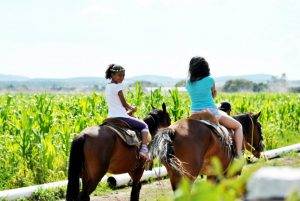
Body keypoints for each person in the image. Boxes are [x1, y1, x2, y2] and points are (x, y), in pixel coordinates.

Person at [185, 56, 243, 157]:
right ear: (205, 68)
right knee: (238, 126)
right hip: (210, 112)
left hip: (194, 113)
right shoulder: (210, 79)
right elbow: (213, 95)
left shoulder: (188, 83)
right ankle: (238, 154)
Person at [105, 64, 150, 161]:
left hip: (110, 117)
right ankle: (144, 149)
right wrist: (132, 108)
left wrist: (127, 109)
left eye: (123, 75)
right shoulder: (118, 87)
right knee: (144, 126)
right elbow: (124, 104)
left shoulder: (107, 87)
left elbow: (117, 105)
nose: (122, 78)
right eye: (119, 75)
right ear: (112, 75)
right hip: (121, 117)